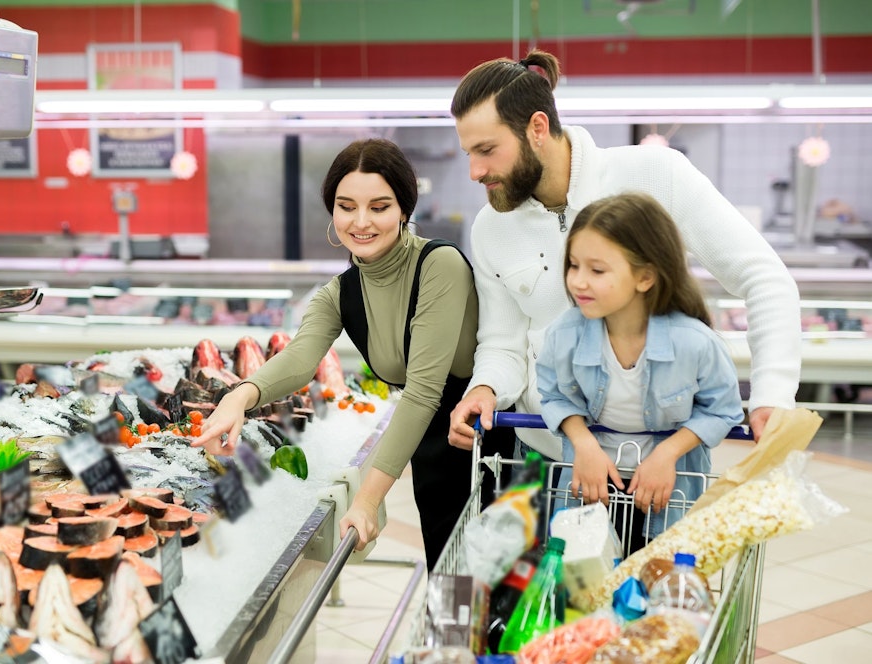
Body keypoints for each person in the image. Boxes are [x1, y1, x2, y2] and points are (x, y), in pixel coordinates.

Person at [447, 48, 800, 460]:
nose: (475, 171)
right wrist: (485, 388)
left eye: (487, 150)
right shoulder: (492, 227)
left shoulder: (655, 174)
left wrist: (772, 394)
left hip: (663, 463)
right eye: (469, 153)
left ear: (537, 128)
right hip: (546, 456)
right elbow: (502, 343)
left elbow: (765, 279)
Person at [191, 138, 514, 568]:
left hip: (493, 441)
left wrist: (366, 500)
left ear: (404, 209)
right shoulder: (339, 294)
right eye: (346, 207)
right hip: (431, 450)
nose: (361, 222)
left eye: (379, 207)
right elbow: (299, 360)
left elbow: (422, 390)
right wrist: (239, 397)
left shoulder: (439, 265)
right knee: (453, 583)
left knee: (507, 586)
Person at [536, 192, 744, 550]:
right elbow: (554, 395)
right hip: (589, 481)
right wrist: (583, 444)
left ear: (645, 277)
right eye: (573, 265)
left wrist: (667, 453)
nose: (578, 281)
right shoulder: (565, 334)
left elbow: (723, 409)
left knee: (658, 574)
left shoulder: (694, 343)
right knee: (586, 574)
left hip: (668, 488)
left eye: (597, 270)